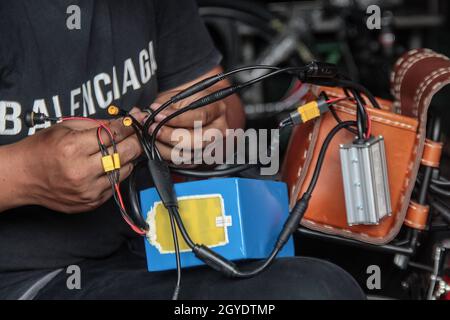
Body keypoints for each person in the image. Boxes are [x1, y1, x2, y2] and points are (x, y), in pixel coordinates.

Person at [0, 0, 365, 300]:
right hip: (26, 278)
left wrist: (205, 120)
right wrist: (25, 174)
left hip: (159, 244)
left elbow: (224, 108)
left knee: (328, 281)